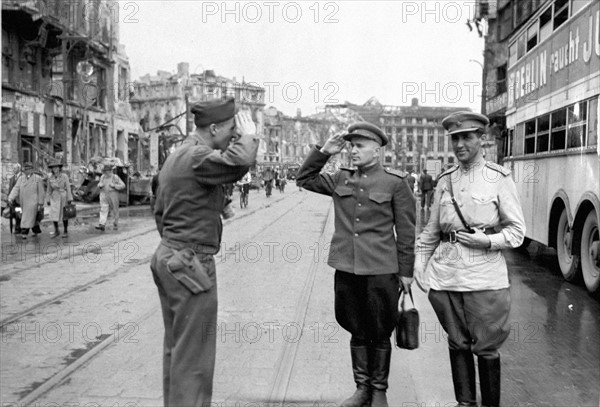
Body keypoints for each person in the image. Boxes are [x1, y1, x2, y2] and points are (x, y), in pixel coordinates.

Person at [296, 122, 416, 407]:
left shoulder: (395, 183)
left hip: (381, 270)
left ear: (376, 150)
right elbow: (304, 178)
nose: (352, 151)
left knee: (381, 329)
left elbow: (407, 231)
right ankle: (362, 388)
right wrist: (324, 151)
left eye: (359, 146)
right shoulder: (341, 178)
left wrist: (406, 272)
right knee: (356, 327)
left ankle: (379, 390)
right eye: (351, 145)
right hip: (347, 269)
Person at [151, 98, 259, 406]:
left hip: (169, 255)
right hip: (189, 262)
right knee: (194, 359)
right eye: (230, 130)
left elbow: (159, 210)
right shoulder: (198, 156)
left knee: (178, 350)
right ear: (214, 128)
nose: (232, 137)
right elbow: (238, 162)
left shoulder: (177, 156)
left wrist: (179, 240)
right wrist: (249, 136)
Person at [414, 112, 525, 407]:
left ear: (482, 139)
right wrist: (418, 265)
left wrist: (487, 240)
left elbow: (517, 232)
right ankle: (465, 404)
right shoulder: (445, 181)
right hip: (447, 277)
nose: (460, 144)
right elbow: (431, 231)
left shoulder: (498, 178)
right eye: (455, 138)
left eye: (467, 137)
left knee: (487, 348)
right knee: (457, 343)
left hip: (485, 280)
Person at [8, 162, 45, 239]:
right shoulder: (21, 178)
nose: (27, 171)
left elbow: (41, 192)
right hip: (23, 202)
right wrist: (11, 197)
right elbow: (16, 188)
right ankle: (36, 230)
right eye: (26, 169)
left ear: (32, 170)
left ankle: (24, 232)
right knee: (32, 218)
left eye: (29, 169)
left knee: (26, 218)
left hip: (33, 202)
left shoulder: (38, 178)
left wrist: (40, 203)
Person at [46, 160, 73, 238]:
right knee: (54, 214)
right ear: (52, 169)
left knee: (64, 214)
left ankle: (65, 231)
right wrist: (47, 199)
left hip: (63, 196)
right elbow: (48, 189)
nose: (55, 169)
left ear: (59, 168)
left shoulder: (64, 176)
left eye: (57, 167)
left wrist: (70, 198)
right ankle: (56, 230)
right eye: (54, 168)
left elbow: (68, 187)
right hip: (54, 197)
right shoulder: (50, 177)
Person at [95, 164, 125, 231]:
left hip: (113, 194)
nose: (106, 173)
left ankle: (115, 223)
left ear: (111, 171)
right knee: (103, 209)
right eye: (105, 171)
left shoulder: (115, 177)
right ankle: (102, 224)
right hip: (104, 194)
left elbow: (123, 185)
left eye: (107, 171)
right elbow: (99, 184)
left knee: (115, 209)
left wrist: (114, 186)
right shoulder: (102, 177)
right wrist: (100, 185)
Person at [8, 164, 22, 234]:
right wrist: (9, 198)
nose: (13, 169)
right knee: (14, 214)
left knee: (19, 213)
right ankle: (18, 227)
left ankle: (18, 227)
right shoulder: (11, 178)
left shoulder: (23, 177)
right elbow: (10, 190)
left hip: (20, 199)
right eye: (13, 168)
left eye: (15, 168)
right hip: (13, 200)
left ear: (19, 168)